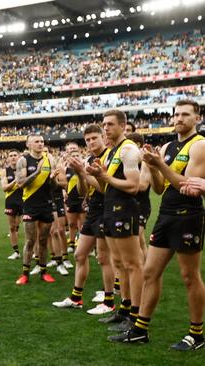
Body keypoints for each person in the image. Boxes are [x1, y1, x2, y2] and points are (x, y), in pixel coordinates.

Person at [111, 99, 205, 350]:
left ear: (197, 118)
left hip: (188, 215)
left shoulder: (199, 145)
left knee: (189, 276)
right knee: (150, 272)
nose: (179, 118)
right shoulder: (168, 146)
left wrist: (159, 164)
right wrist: (153, 167)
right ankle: (140, 329)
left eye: (186, 114)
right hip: (166, 214)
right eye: (176, 114)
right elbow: (159, 187)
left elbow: (188, 186)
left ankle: (196, 333)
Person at [86, 110, 144, 335]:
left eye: (110, 124)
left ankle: (136, 315)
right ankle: (125, 309)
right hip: (110, 210)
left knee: (132, 264)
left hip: (125, 210)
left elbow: (133, 186)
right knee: (119, 263)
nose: (106, 128)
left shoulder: (128, 149)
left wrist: (106, 177)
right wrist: (96, 175)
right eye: (104, 124)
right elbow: (105, 187)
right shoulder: (111, 152)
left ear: (123, 125)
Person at [52, 124, 116, 315]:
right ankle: (76, 298)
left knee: (104, 258)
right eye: (87, 140)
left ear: (103, 137)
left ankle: (109, 300)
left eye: (94, 138)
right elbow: (82, 191)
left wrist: (83, 173)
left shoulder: (110, 156)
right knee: (80, 254)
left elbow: (103, 187)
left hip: (107, 210)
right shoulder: (88, 159)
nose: (90, 142)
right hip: (93, 211)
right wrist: (81, 174)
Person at [15, 134, 56, 285]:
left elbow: (54, 186)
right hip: (30, 205)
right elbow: (20, 183)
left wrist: (53, 179)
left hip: (46, 204)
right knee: (30, 240)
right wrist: (37, 173)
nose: (40, 144)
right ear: (29, 145)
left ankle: (44, 271)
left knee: (44, 240)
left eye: (42, 141)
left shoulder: (50, 159)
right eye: (36, 141)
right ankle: (25, 273)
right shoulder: (23, 160)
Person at [127, 133, 152, 262]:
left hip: (141, 205)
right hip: (128, 204)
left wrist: (121, 183)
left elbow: (142, 186)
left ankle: (141, 272)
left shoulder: (144, 161)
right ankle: (147, 271)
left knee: (136, 240)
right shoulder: (127, 159)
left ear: (137, 144)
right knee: (140, 241)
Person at [1, 149, 23, 260]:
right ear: (8, 158)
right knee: (12, 227)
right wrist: (16, 180)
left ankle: (34, 251)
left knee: (30, 228)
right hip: (11, 201)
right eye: (11, 155)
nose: (13, 157)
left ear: (19, 156)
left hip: (25, 200)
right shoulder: (5, 171)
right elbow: (4, 188)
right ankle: (16, 252)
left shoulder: (24, 169)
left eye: (15, 155)